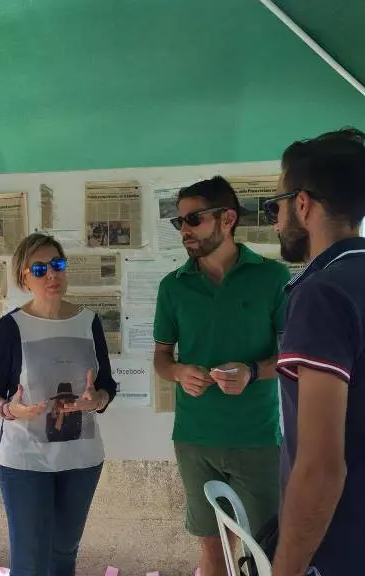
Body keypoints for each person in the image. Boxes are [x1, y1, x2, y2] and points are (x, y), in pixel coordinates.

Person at [152, 176, 290, 576]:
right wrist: (179, 372)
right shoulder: (172, 287)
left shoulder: (273, 277)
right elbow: (162, 357)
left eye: (193, 219)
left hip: (257, 438)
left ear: (227, 218)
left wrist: (251, 371)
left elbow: (290, 357)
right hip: (195, 439)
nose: (184, 231)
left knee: (267, 552)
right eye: (179, 222)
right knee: (214, 553)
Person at [0, 232, 117, 576]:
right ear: (24, 277)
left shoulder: (89, 321)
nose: (51, 275)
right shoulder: (11, 327)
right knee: (30, 563)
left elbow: (106, 386)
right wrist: (12, 410)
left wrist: (95, 401)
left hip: (82, 460)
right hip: (26, 460)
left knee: (63, 557)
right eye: (39, 269)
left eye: (57, 265)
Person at [266, 127, 365, 576]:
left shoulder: (322, 295)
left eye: (277, 206)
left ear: (302, 204)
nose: (275, 220)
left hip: (340, 548)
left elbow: (322, 468)